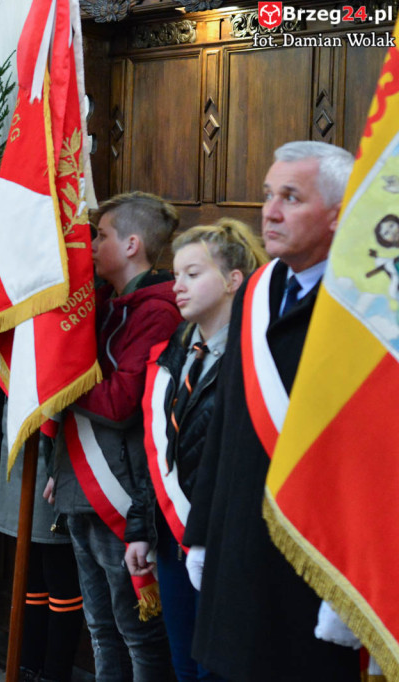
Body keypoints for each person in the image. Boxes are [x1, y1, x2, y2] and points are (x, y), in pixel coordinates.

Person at [183, 141, 360, 682]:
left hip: (315, 569)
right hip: (239, 553)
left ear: (337, 213)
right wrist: (202, 531)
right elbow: (227, 430)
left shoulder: (368, 309)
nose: (271, 212)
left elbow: (372, 455)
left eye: (291, 197)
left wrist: (354, 587)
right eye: (267, 195)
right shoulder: (259, 292)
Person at [123, 219, 267, 681]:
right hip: (172, 540)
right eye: (176, 273)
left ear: (233, 281)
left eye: (192, 274)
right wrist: (142, 529)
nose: (176, 286)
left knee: (220, 672)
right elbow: (158, 451)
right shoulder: (176, 352)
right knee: (185, 669)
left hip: (228, 543)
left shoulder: (255, 356)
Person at [45, 191, 180, 681]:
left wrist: (57, 382)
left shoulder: (157, 312)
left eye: (100, 235)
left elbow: (122, 403)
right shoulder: (105, 303)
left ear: (132, 245)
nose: (90, 243)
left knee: (137, 634)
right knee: (100, 628)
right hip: (81, 484)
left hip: (121, 491)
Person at [0, 381, 84, 682]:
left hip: (59, 439)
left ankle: (55, 673)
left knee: (59, 569)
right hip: (17, 435)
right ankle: (27, 665)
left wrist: (65, 467)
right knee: (27, 568)